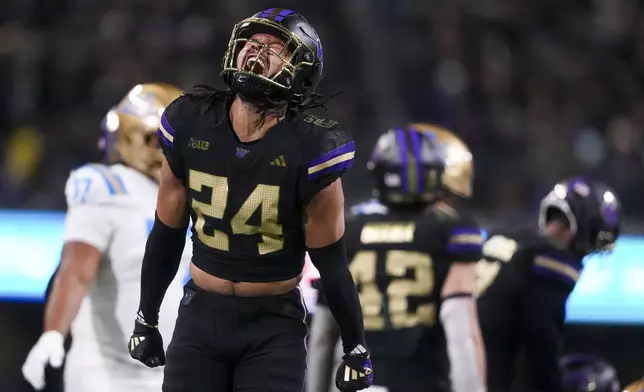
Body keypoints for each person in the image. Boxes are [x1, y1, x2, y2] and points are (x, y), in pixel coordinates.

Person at [127, 8, 372, 392]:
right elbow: (167, 232)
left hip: (272, 326)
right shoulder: (190, 121)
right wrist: (147, 317)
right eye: (253, 42)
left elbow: (332, 264)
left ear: (301, 72)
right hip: (200, 314)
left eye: (276, 47)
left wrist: (356, 346)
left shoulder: (312, 148)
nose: (258, 51)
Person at [21, 83, 191, 391]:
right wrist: (53, 333)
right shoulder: (107, 185)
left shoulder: (187, 198)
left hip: (170, 374)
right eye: (159, 140)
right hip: (106, 372)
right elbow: (76, 269)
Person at [307, 124, 487, 392]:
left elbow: (322, 337)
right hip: (418, 382)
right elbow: (460, 331)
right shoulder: (450, 229)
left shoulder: (348, 229)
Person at [477, 178, 622, 392]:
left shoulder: (503, 236)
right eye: (593, 241)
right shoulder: (552, 260)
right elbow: (540, 343)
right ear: (583, 229)